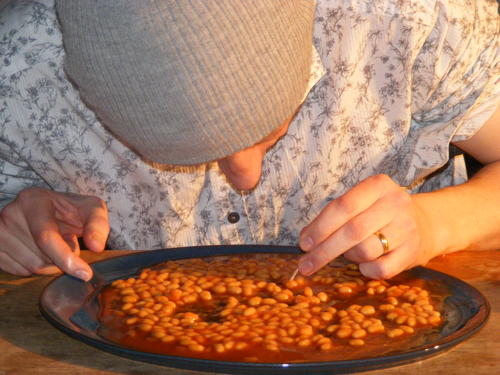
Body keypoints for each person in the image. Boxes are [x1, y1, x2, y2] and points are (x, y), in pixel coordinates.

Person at [0, 0, 498, 283]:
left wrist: (434, 224)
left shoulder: (406, 17)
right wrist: (13, 229)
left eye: (267, 129)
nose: (247, 175)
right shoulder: (18, 73)